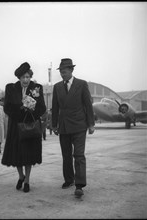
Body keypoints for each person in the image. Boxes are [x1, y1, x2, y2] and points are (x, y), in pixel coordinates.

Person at [52, 58, 95, 197]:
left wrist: (91, 124)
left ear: (71, 70)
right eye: (61, 72)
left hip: (79, 126)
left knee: (79, 155)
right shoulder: (57, 87)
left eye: (64, 71)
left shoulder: (81, 84)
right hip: (63, 126)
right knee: (66, 155)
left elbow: (88, 105)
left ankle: (79, 185)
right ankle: (69, 180)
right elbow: (55, 107)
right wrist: (53, 125)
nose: (62, 74)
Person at [1, 62, 46, 193]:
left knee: (29, 154)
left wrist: (32, 110)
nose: (26, 80)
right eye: (23, 77)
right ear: (19, 78)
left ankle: (27, 180)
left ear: (30, 77)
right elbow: (7, 107)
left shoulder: (37, 88)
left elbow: (42, 107)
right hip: (16, 125)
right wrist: (21, 110)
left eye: (28, 77)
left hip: (30, 125)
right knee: (17, 154)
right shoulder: (10, 88)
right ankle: (21, 176)